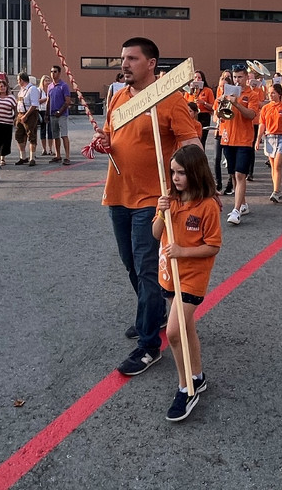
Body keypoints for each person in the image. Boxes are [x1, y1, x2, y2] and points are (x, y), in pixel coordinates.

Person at [95, 37, 201, 378]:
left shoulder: (170, 100)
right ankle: (153, 316)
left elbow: (191, 143)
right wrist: (105, 142)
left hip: (154, 200)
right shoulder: (119, 97)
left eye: (131, 58)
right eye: (122, 58)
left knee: (146, 269)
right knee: (131, 264)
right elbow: (113, 134)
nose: (123, 64)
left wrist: (190, 188)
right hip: (118, 193)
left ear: (151, 63)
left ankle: (148, 346)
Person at [152, 144, 221, 421]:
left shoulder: (208, 206)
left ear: (195, 172)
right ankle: (198, 375)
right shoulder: (171, 200)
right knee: (187, 328)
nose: (176, 178)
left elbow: (213, 246)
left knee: (172, 333)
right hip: (169, 274)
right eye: (173, 172)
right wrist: (160, 211)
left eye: (181, 172)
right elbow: (156, 234)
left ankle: (187, 388)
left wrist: (183, 252)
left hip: (192, 278)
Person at [218, 64, 262, 226]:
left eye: (240, 77)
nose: (237, 80)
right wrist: (222, 103)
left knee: (240, 175)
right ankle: (242, 204)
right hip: (228, 138)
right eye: (235, 77)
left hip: (244, 139)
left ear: (246, 77)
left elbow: (251, 115)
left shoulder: (252, 94)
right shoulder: (226, 91)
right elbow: (219, 116)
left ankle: (236, 210)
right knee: (233, 175)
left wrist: (236, 103)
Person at [255, 82, 282, 203]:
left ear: (279, 94)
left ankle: (276, 191)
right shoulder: (266, 108)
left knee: (277, 165)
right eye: (269, 93)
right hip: (269, 138)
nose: (271, 95)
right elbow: (262, 125)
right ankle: (276, 188)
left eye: (273, 93)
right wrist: (257, 139)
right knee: (273, 166)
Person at [47, 65, 73, 165]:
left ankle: (67, 157)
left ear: (59, 73)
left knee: (64, 135)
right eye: (51, 71)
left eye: (55, 72)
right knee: (55, 136)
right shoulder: (50, 86)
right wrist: (46, 114)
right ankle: (57, 155)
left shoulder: (64, 86)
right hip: (52, 114)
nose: (53, 74)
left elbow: (67, 101)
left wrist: (60, 111)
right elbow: (49, 101)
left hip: (61, 115)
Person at [14, 72, 41, 166]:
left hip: (30, 115)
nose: (17, 82)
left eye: (18, 80)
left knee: (31, 135)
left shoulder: (32, 89)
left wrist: (26, 116)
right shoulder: (21, 90)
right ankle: (23, 157)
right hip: (21, 114)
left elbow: (34, 104)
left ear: (21, 80)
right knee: (19, 135)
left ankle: (32, 158)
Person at [0, 78, 18, 167]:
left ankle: (2, 158)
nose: (2, 88)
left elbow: (15, 108)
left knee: (5, 141)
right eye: (1, 86)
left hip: (7, 122)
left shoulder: (11, 97)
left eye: (4, 86)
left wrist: (16, 118)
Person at [185, 71, 215, 148]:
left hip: (203, 116)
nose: (197, 79)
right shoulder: (189, 92)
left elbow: (213, 106)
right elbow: (184, 104)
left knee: (201, 140)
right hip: (191, 117)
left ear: (203, 79)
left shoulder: (208, 90)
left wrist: (204, 103)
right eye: (195, 77)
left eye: (199, 77)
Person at [37, 73, 52, 153]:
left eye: (49, 81)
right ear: (42, 82)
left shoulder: (51, 90)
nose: (48, 82)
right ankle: (44, 149)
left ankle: (50, 149)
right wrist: (47, 99)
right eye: (46, 81)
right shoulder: (39, 90)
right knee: (43, 130)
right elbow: (37, 101)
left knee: (50, 130)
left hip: (49, 111)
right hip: (42, 111)